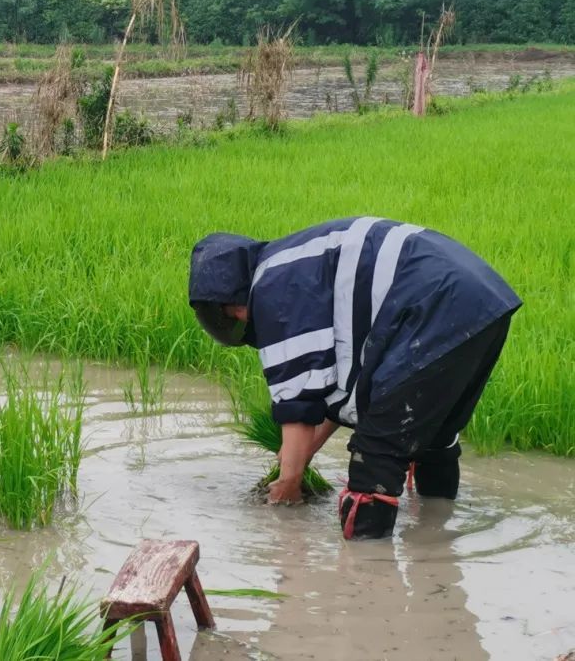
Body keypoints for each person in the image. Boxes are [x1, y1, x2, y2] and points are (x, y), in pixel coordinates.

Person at [188, 216, 521, 539]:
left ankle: (365, 569)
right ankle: (438, 539)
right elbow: (335, 392)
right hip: (485, 302)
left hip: (434, 306)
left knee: (376, 456)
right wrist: (302, 455)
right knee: (433, 437)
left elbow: (298, 407)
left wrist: (288, 485)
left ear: (231, 307)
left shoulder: (272, 294)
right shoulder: (292, 264)